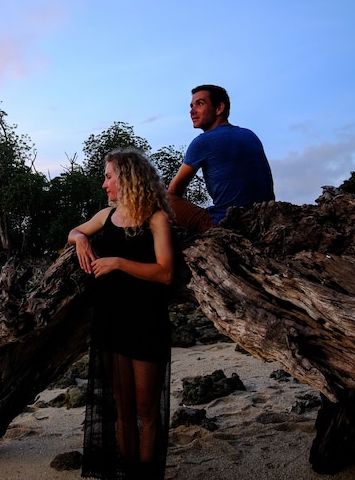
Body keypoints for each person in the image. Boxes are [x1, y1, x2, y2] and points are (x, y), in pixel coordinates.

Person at [69, 148, 174, 480]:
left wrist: (118, 263)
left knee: (147, 411)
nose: (104, 184)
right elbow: (74, 231)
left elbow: (165, 272)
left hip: (146, 322)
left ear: (127, 179)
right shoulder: (106, 216)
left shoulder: (155, 218)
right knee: (122, 410)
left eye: (109, 177)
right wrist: (80, 239)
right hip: (111, 321)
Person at [169, 84, 274, 233]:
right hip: (264, 220)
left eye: (200, 104)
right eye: (191, 106)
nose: (192, 111)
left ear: (219, 108)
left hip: (225, 223)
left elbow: (174, 190)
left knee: (160, 198)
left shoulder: (202, 141)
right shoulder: (250, 135)